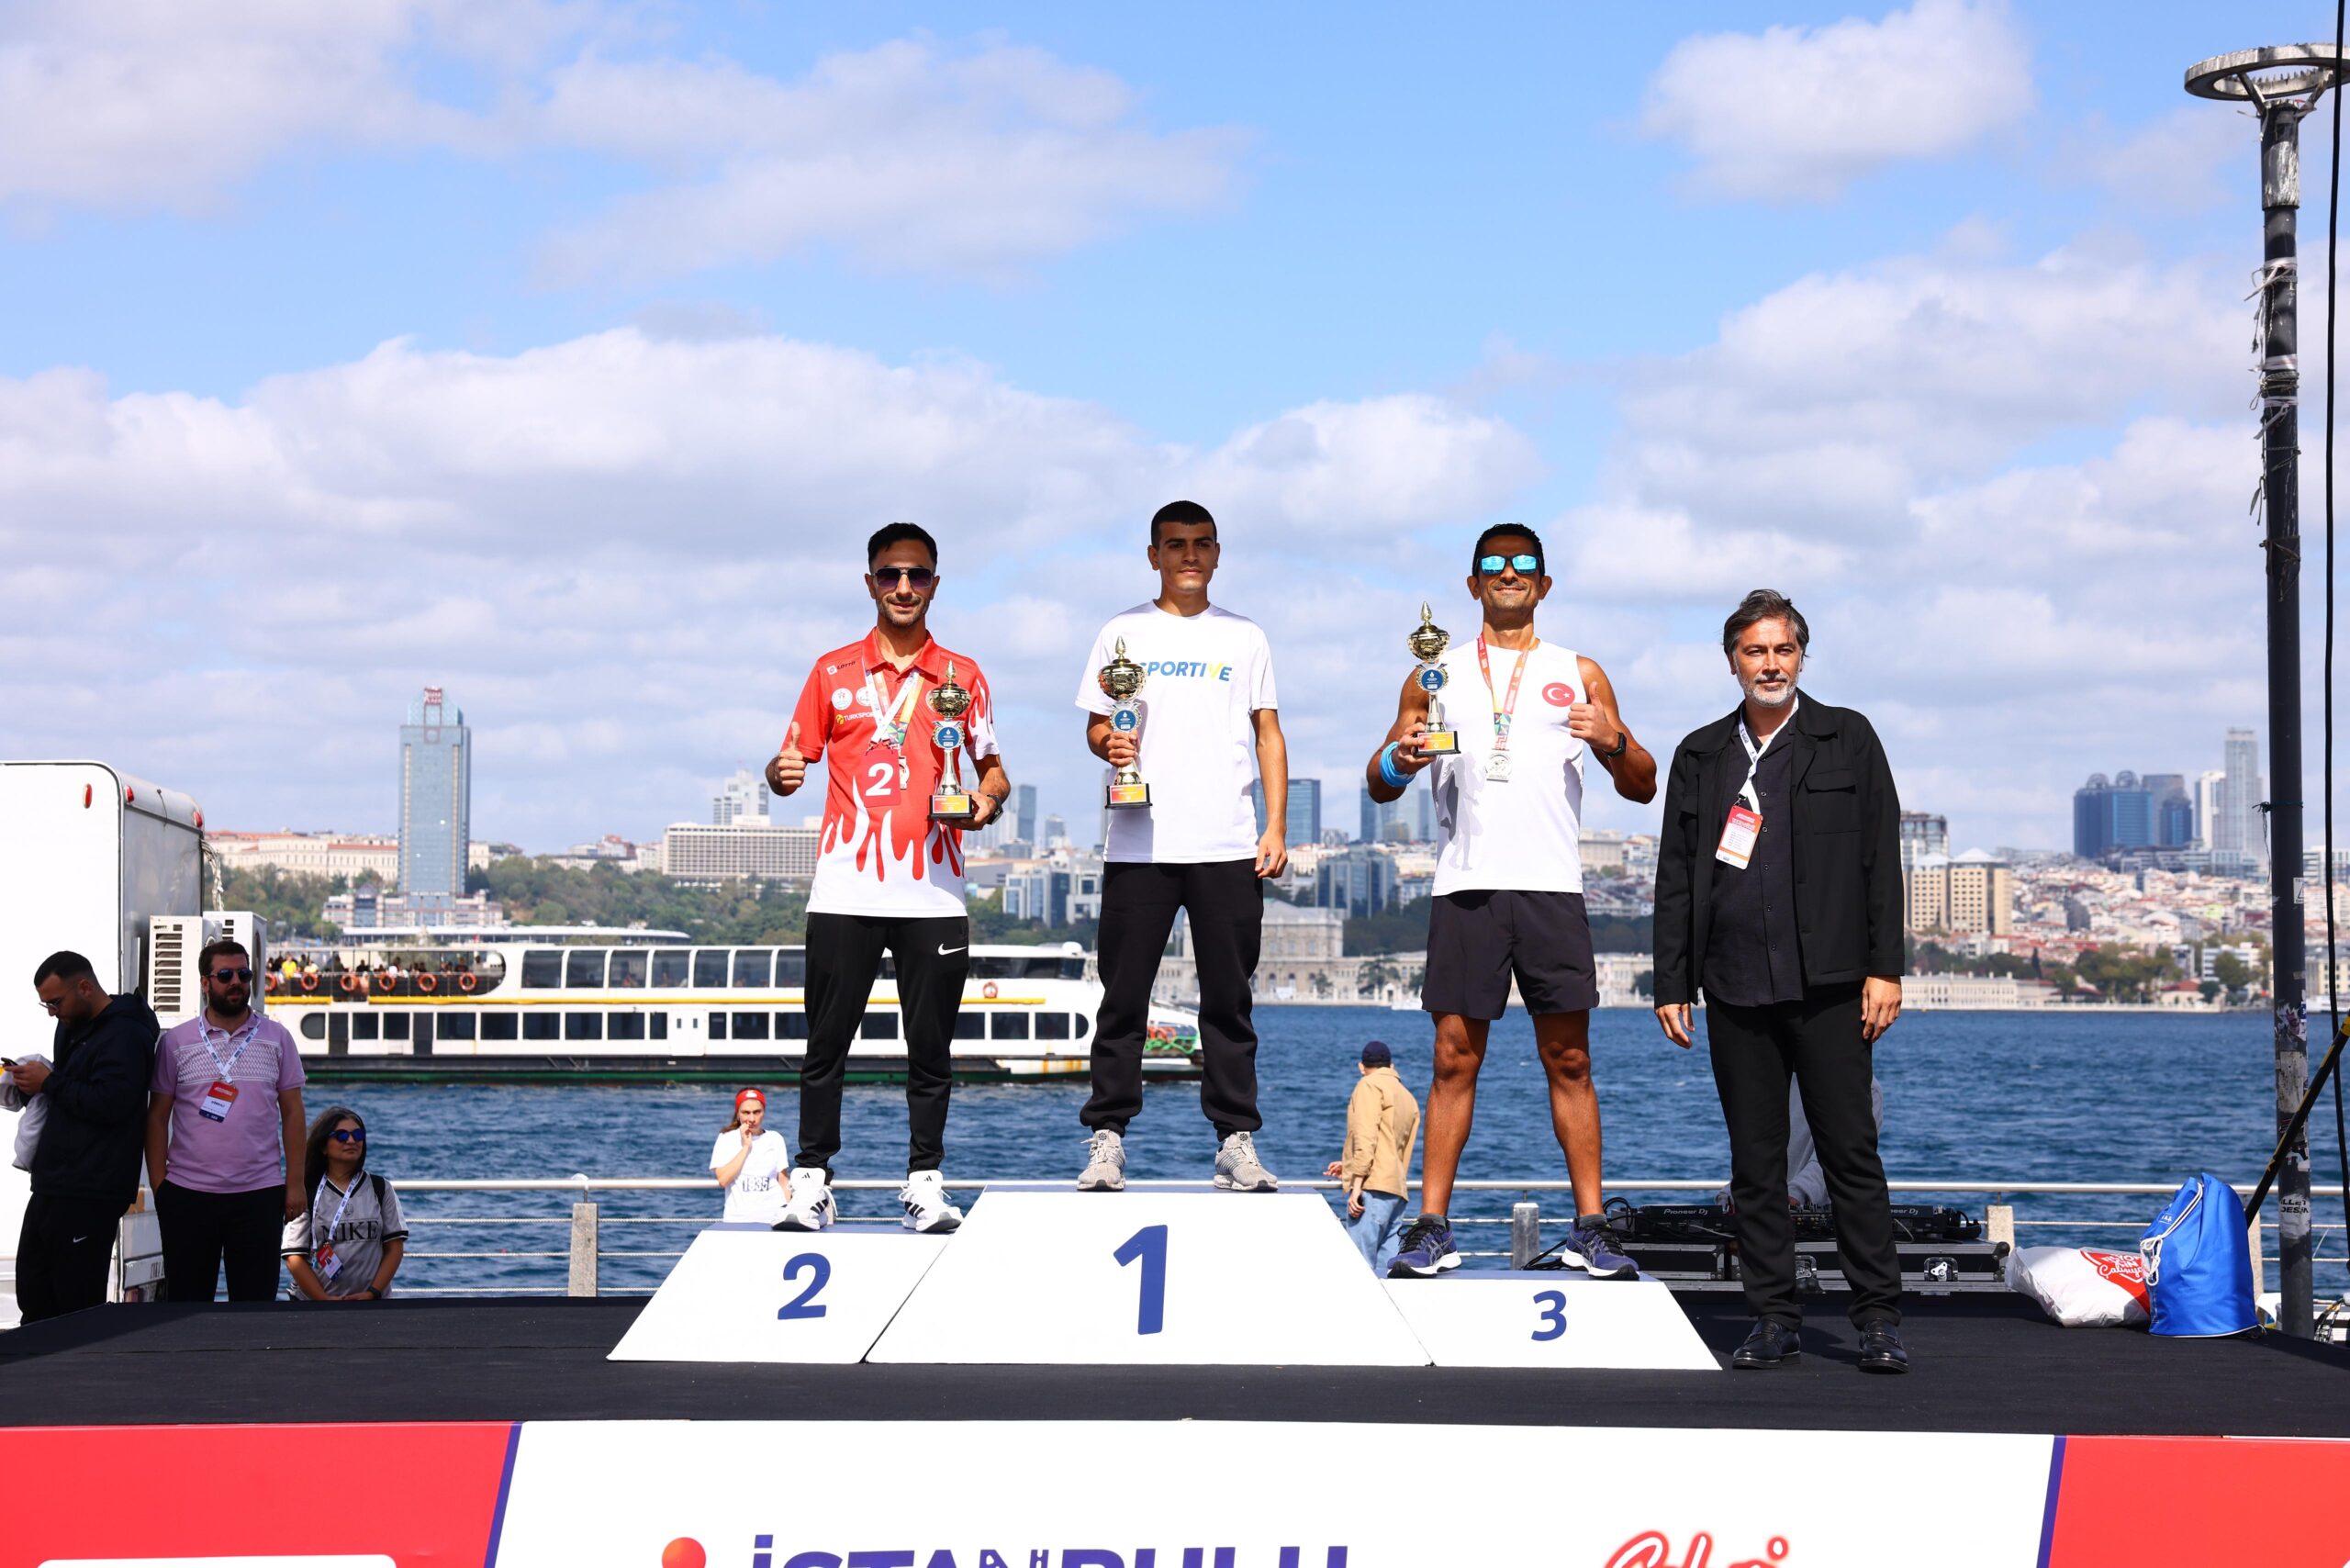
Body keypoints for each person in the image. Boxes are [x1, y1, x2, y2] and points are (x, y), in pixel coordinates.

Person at [1365, 524, 1655, 1279]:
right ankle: (1433, 1227)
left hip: (1552, 888)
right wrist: (1400, 757)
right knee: (1452, 1058)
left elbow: (1643, 783)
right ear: (1473, 585)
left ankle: (1591, 1227)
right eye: (1493, 565)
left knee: (1571, 1058)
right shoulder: (1433, 674)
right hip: (1466, 886)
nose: (1509, 573)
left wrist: (1611, 739)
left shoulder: (1578, 671)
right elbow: (1379, 780)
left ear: (1544, 584)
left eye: (1524, 564)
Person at [1652, 589, 1909, 1374]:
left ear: (1802, 656)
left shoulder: (1848, 737)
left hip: (1833, 986)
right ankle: (1773, 1318)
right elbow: (1675, 876)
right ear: (1732, 661)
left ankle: (1877, 1319)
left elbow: (1880, 858)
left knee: (1850, 1157)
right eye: (1755, 651)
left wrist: (1886, 968)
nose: (1770, 664)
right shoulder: (1700, 754)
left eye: (1783, 650)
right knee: (1755, 1166)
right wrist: (1671, 982)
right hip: (1734, 987)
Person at [765, 521, 1012, 1236]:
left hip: (934, 893)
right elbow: (789, 762)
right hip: (844, 889)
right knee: (825, 1046)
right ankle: (813, 1181)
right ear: (870, 582)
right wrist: (780, 774)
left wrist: (985, 802)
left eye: (918, 575)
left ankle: (925, 1182)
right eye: (890, 574)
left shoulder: (963, 677)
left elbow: (993, 769)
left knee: (930, 1050)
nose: (904, 587)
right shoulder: (831, 672)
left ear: (935, 583)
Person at [1074, 499, 1289, 1193]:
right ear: (1154, 556)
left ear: (1217, 554)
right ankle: (1108, 1139)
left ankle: (1234, 1140)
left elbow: (1268, 733)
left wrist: (1276, 827)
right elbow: (1097, 727)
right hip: (1139, 845)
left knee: (1229, 1003)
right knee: (1123, 1001)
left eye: (1201, 544)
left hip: (1227, 844)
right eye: (1175, 544)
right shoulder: (1121, 631)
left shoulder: (1245, 636)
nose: (1189, 555)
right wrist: (1109, 743)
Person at [147, 938, 308, 1303]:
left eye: (244, 974)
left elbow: (293, 1113)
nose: (236, 982)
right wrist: (160, 1187)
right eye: (225, 975)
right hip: (187, 1195)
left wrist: (295, 1183)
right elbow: (157, 1118)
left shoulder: (278, 1038)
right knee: (186, 1307)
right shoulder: (176, 1042)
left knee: (255, 1309)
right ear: (205, 983)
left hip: (259, 1194)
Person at [8, 952, 160, 1322]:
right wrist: (32, 1083)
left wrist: (49, 1082)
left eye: (56, 1003)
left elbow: (113, 1103)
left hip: (92, 1188)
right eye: (46, 1005)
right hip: (53, 1182)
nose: (52, 1013)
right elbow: (71, 1090)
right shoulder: (71, 1026)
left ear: (86, 987)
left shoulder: (126, 1033)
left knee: (75, 1305)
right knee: (34, 1291)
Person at [282, 1106, 405, 1302]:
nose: (351, 1141)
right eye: (341, 1136)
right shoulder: (307, 1191)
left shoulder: (381, 1188)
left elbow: (394, 1248)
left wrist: (372, 1293)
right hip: (314, 1305)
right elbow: (294, 1256)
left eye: (358, 1135)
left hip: (371, 1304)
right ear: (324, 1147)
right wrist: (323, 1300)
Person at [1324, 1041, 1420, 1275]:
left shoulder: (1369, 1085)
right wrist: (1348, 1166)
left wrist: (1356, 1186)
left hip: (1372, 1188)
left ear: (1361, 1066)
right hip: (1396, 1189)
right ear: (1391, 1066)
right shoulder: (1406, 1095)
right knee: (1389, 1272)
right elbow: (1394, 1147)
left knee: (1359, 1270)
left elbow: (1366, 1138)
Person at [710, 1088, 791, 1226]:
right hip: (737, 1220)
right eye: (746, 1113)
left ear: (764, 1112)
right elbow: (723, 1180)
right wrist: (746, 1147)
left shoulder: (775, 1138)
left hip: (774, 1219)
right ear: (738, 1114)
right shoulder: (726, 1138)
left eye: (757, 1112)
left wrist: (787, 1216)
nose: (752, 1119)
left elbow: (783, 1183)